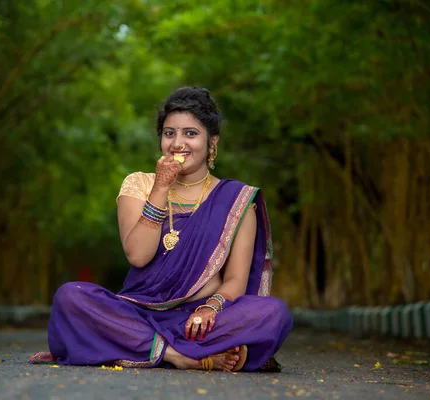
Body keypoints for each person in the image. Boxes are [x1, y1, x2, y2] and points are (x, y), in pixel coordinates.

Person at [28, 87, 293, 371]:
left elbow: (236, 281)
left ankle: (144, 346)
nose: (178, 143)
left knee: (274, 313)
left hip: (198, 321)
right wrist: (161, 187)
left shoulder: (237, 200)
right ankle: (180, 356)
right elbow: (138, 256)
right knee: (72, 297)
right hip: (137, 313)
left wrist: (211, 307)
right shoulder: (139, 184)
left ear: (212, 143)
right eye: (169, 133)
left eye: (190, 133)